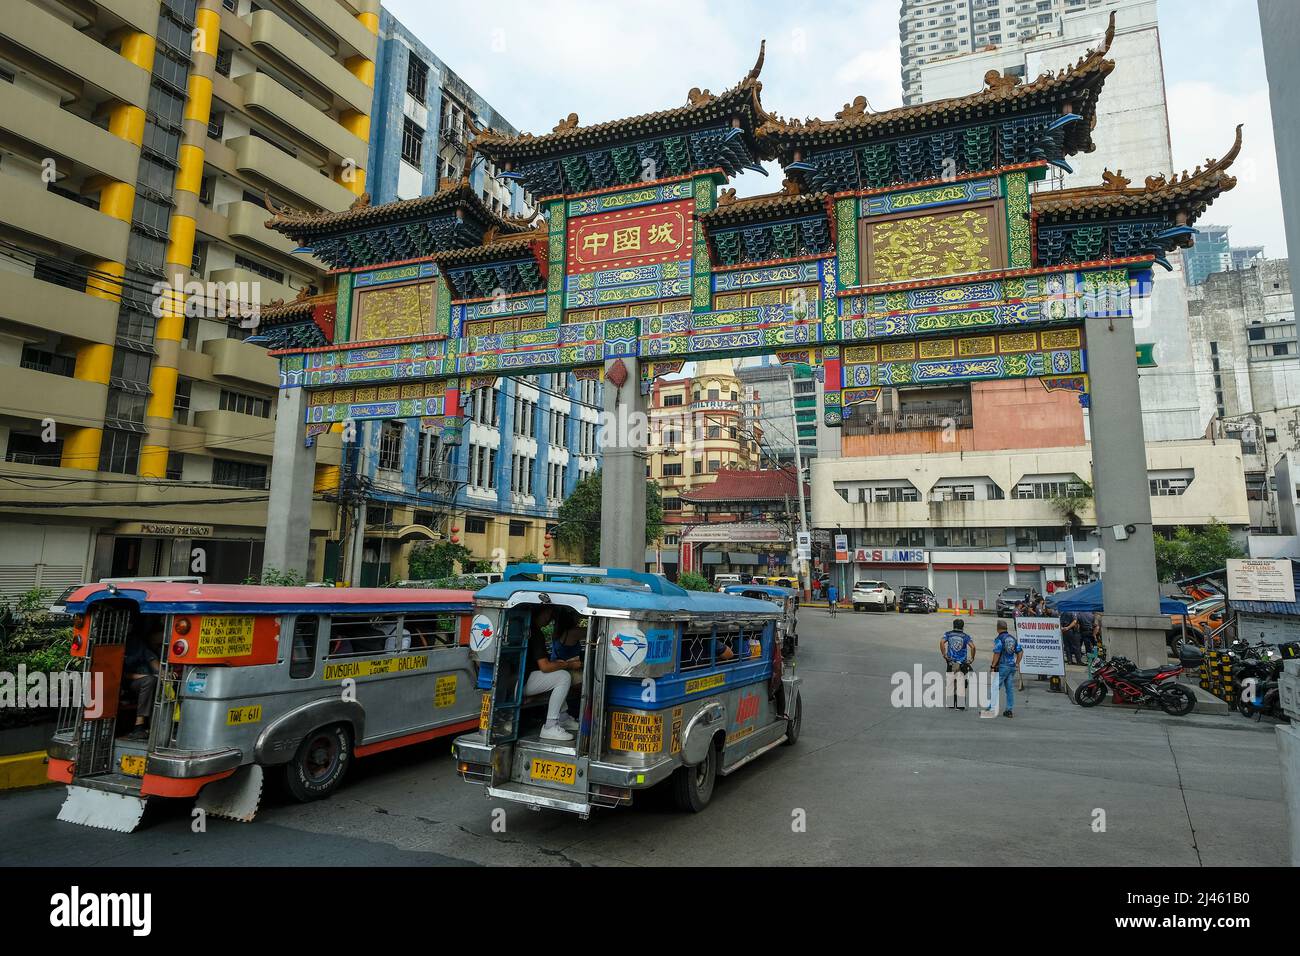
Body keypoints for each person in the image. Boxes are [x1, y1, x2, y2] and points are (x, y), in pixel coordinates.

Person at [524, 606, 580, 741]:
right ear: (542, 612)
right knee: (563, 677)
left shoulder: (528, 628)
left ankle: (563, 717)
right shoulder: (535, 633)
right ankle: (550, 726)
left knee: (558, 674)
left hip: (520, 679)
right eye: (549, 612)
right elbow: (544, 667)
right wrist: (569, 664)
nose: (550, 617)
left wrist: (560, 664)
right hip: (522, 682)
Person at [121, 619, 161, 741]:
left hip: (146, 680)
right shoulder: (118, 644)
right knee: (149, 681)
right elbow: (123, 674)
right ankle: (139, 725)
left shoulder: (136, 642)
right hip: (129, 683)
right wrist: (146, 677)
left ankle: (155, 728)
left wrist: (163, 673)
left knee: (158, 683)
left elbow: (151, 659)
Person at [988, 618, 1023, 718]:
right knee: (1009, 689)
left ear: (998, 629)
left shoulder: (999, 639)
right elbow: (1020, 652)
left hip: (1002, 666)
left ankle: (991, 709)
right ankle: (1009, 710)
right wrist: (1017, 663)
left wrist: (992, 666)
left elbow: (997, 653)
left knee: (995, 688)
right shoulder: (1012, 638)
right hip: (1011, 666)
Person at [939, 617, 976, 710]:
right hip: (961, 663)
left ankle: (951, 704)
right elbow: (973, 647)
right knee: (960, 683)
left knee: (951, 682)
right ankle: (960, 705)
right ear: (963, 627)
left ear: (953, 625)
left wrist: (944, 654)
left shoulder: (948, 634)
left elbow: (941, 642)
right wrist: (972, 658)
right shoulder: (966, 636)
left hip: (951, 662)